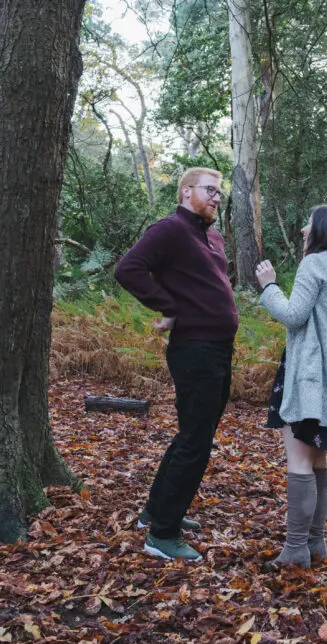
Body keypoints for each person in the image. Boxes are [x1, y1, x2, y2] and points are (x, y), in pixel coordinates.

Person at [114, 167, 237, 562]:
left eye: (220, 193)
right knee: (196, 443)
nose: (217, 198)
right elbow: (128, 269)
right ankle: (162, 535)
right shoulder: (169, 229)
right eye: (210, 190)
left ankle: (156, 511)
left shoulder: (211, 236)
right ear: (186, 192)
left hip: (218, 348)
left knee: (192, 435)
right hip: (195, 349)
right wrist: (167, 305)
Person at [255, 204, 327, 568]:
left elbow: (293, 315)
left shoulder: (315, 264)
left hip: (310, 379)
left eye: (308, 223)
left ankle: (296, 550)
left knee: (300, 461)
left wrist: (269, 286)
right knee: (318, 463)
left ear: (322, 230)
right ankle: (315, 545)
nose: (303, 229)